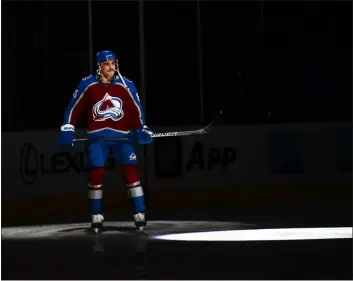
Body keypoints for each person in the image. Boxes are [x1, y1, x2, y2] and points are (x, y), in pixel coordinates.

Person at [59, 50, 153, 233]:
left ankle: (139, 213)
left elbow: (136, 110)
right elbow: (74, 107)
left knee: (131, 173)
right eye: (107, 64)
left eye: (113, 63)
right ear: (99, 66)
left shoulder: (127, 85)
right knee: (97, 174)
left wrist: (142, 127)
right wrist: (67, 127)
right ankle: (96, 215)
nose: (111, 67)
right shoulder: (88, 84)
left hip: (122, 138)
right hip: (97, 138)